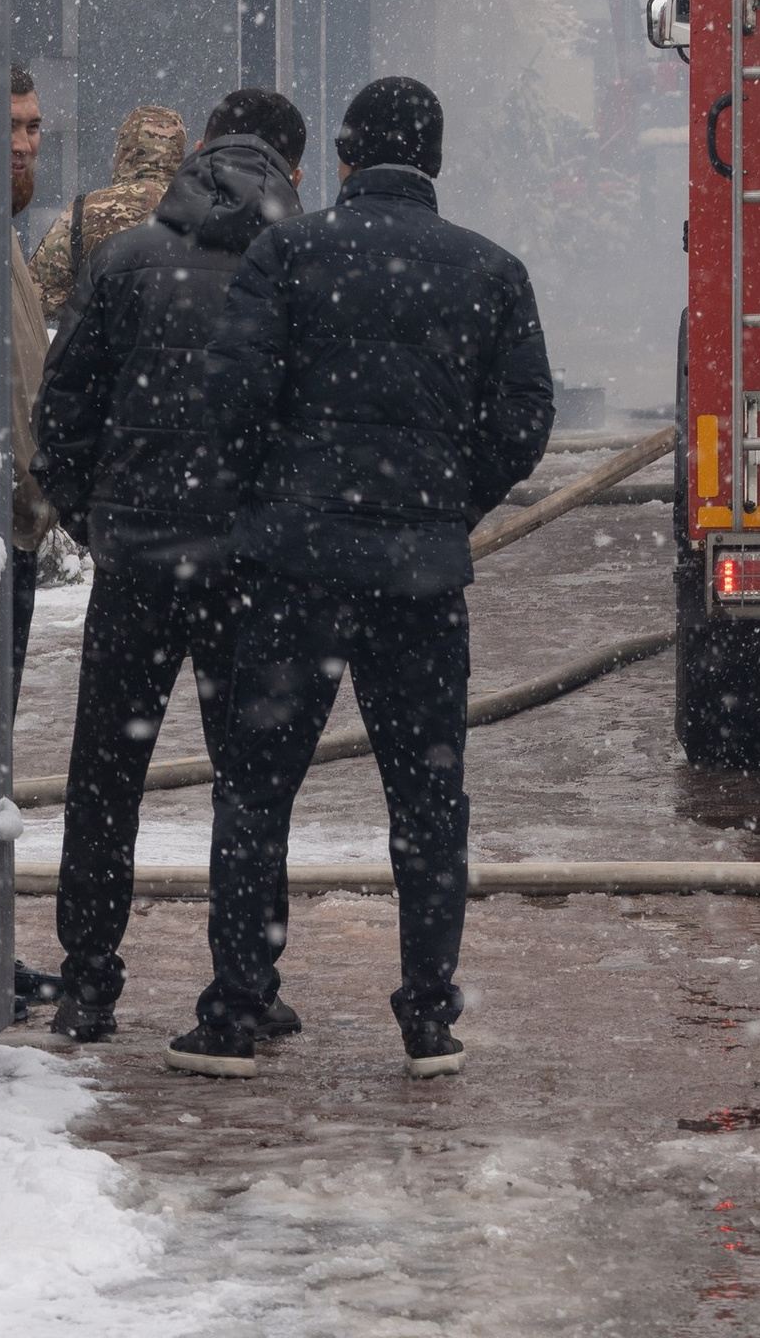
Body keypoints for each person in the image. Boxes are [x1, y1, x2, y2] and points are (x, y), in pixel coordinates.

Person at [178, 74, 554, 1079]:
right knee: (428, 802)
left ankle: (236, 1010)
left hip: (292, 570)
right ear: (434, 159)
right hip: (420, 579)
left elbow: (233, 396)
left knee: (256, 791)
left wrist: (278, 495)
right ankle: (427, 1015)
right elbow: (524, 421)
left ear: (342, 159)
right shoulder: (489, 270)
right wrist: (443, 499)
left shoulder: (288, 252)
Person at [30, 88, 308, 1046]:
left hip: (139, 559)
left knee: (104, 775)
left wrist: (95, 518)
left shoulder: (124, 257)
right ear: (292, 170)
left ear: (201, 151)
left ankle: (88, 983)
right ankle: (245, 981)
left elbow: (62, 409)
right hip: (252, 569)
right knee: (252, 780)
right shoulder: (297, 268)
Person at [9, 63, 63, 1018]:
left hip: (3, 534)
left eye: (34, 128)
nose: (27, 143)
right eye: (12, 128)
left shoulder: (16, 242)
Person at [30, 103, 189, 325]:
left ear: (125, 148)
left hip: (101, 349)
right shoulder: (205, 208)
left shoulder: (84, 210)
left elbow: (39, 296)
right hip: (187, 352)